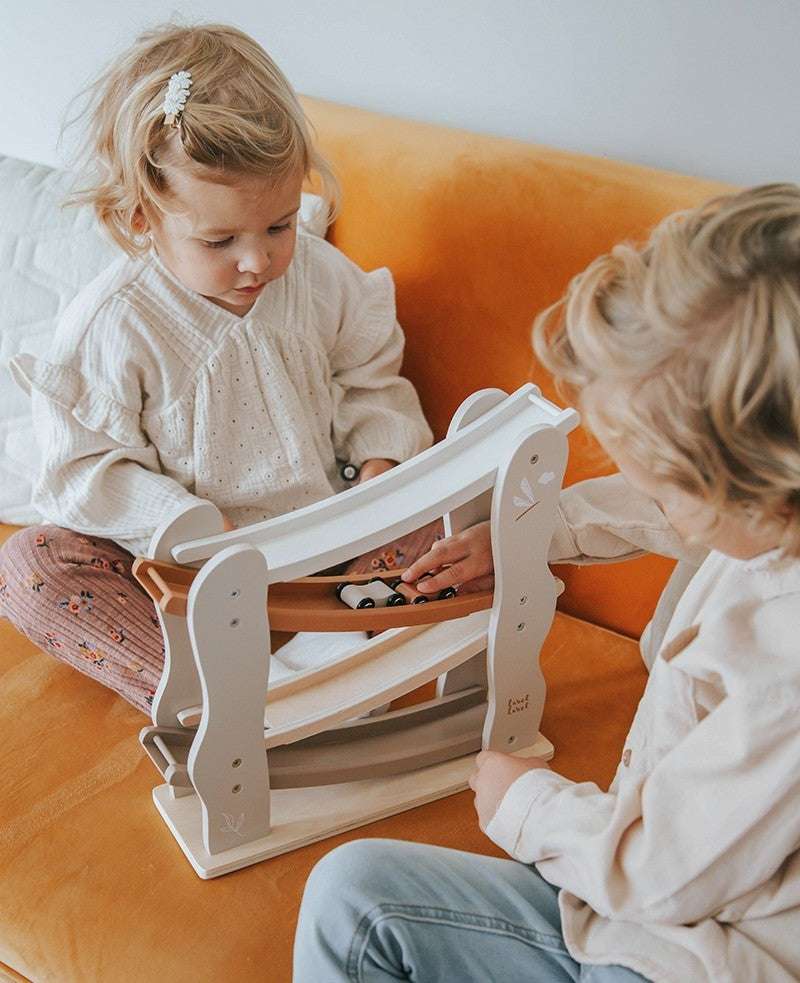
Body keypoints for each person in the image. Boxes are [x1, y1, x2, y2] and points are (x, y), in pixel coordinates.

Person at [293, 184, 800, 982]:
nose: (651, 492)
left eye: (666, 480)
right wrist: (525, 537)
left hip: (689, 957)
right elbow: (663, 513)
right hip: (628, 913)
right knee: (354, 896)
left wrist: (528, 801)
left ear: (756, 479)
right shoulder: (772, 522)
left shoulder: (784, 667)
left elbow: (661, 870)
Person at [0, 22, 435, 713]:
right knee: (31, 567)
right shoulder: (114, 324)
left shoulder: (319, 278)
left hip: (331, 557)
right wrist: (195, 530)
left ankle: (335, 660)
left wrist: (379, 463)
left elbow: (369, 373)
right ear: (143, 218)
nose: (257, 262)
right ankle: (214, 702)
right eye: (220, 239)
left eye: (279, 226)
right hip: (189, 581)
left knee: (454, 504)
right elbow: (85, 471)